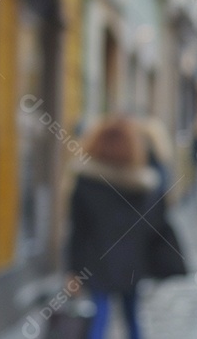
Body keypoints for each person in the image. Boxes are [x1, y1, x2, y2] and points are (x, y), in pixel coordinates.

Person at [68, 118, 160, 339]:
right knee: (133, 318)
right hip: (132, 262)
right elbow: (152, 226)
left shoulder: (86, 183)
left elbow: (77, 231)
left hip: (97, 262)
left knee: (99, 317)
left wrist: (73, 270)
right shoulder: (141, 185)